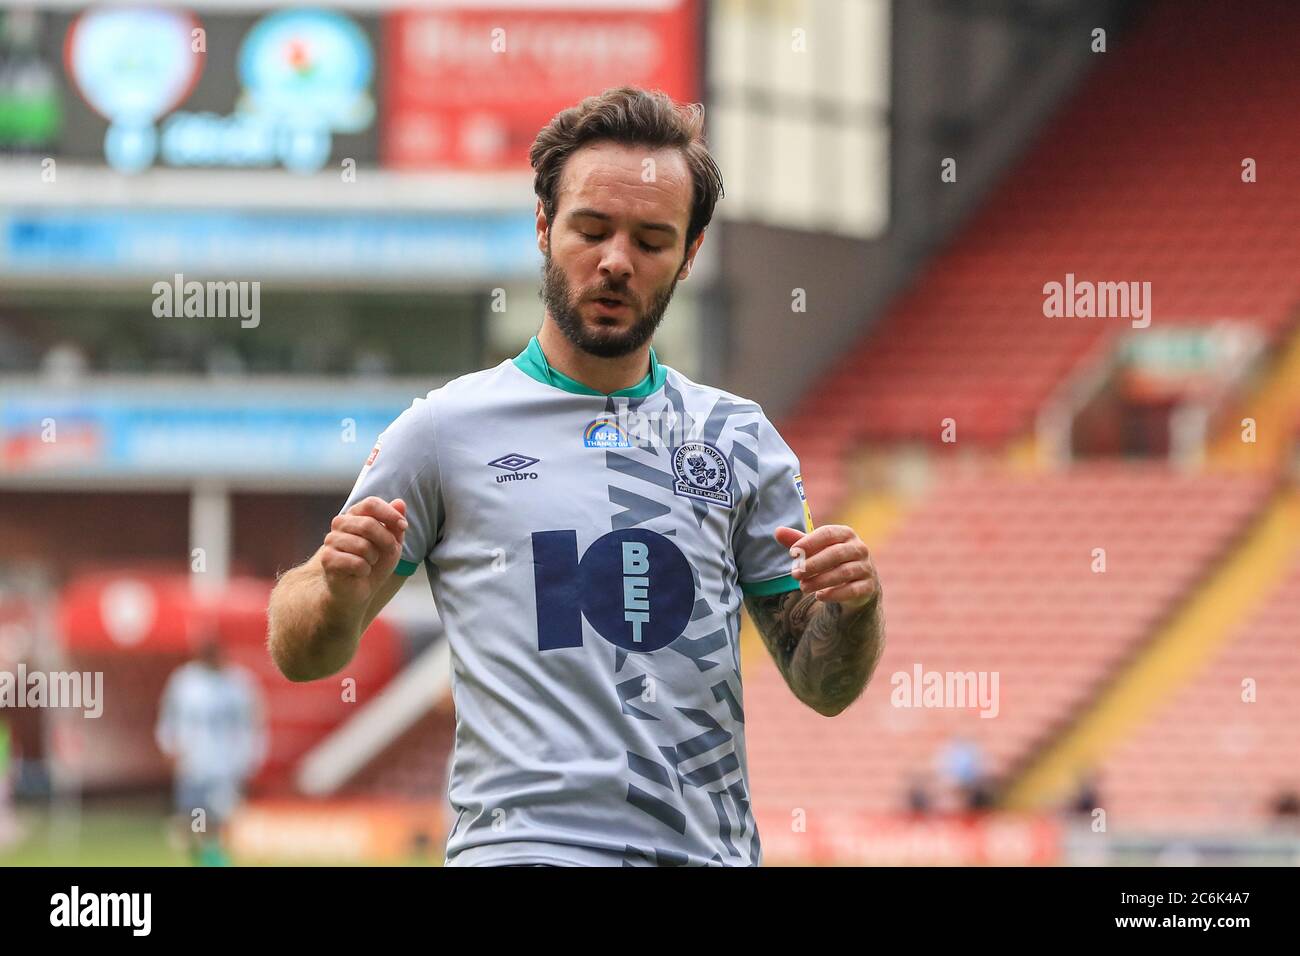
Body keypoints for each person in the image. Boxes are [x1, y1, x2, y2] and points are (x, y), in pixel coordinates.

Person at [267, 86, 887, 867]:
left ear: (690, 255)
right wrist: (335, 590)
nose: (617, 261)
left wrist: (856, 610)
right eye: (591, 230)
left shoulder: (737, 437)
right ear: (543, 227)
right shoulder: (444, 430)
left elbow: (823, 686)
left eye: (652, 241)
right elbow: (302, 653)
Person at [155, 636, 267, 866]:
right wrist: (169, 746)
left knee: (221, 815)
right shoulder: (184, 682)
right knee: (193, 820)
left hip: (226, 765)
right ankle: (202, 857)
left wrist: (251, 759)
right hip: (192, 764)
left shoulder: (240, 684)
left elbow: (252, 724)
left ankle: (216, 858)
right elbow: (169, 718)